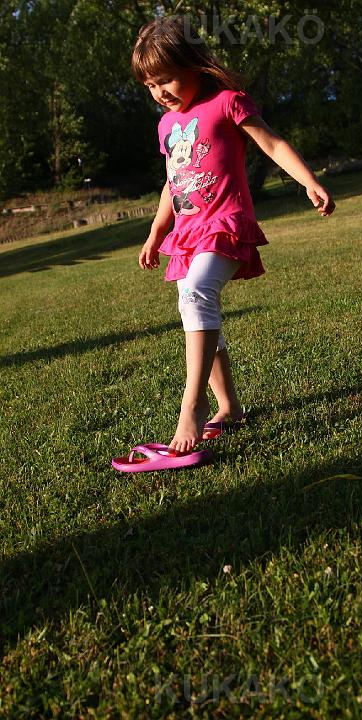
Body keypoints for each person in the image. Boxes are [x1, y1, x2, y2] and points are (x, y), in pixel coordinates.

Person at [131, 16, 336, 455]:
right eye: (150, 85)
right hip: (187, 233)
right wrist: (155, 231)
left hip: (225, 223)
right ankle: (230, 407)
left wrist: (308, 181)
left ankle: (193, 404)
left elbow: (272, 143)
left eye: (166, 79)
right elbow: (172, 181)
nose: (159, 92)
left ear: (193, 64)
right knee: (195, 311)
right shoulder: (166, 125)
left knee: (197, 295)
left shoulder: (228, 102)